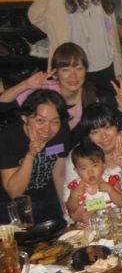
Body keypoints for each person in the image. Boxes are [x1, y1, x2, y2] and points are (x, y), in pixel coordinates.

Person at [65, 102, 122, 225]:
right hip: (91, 212)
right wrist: (82, 215)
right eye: (95, 132)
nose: (104, 136)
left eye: (108, 127)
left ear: (116, 125)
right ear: (88, 136)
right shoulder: (79, 156)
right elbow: (72, 209)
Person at [0, 90, 71, 224]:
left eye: (55, 122)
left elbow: (59, 174)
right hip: (10, 206)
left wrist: (65, 208)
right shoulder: (8, 138)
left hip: (47, 200)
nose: (47, 129)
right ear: (25, 118)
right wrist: (31, 154)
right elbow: (14, 193)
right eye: (40, 120)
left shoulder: (61, 134)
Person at [0, 42, 96, 134]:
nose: (73, 76)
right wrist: (26, 84)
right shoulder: (44, 91)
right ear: (55, 73)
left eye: (79, 68)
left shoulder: (90, 99)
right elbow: (2, 103)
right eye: (65, 70)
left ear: (86, 70)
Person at [66, 140, 122, 225]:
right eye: (83, 168)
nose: (90, 172)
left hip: (114, 221)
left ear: (104, 165)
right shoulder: (76, 186)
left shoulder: (110, 180)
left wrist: (110, 190)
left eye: (94, 166)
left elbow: (121, 202)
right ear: (76, 171)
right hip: (89, 223)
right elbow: (71, 208)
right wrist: (74, 196)